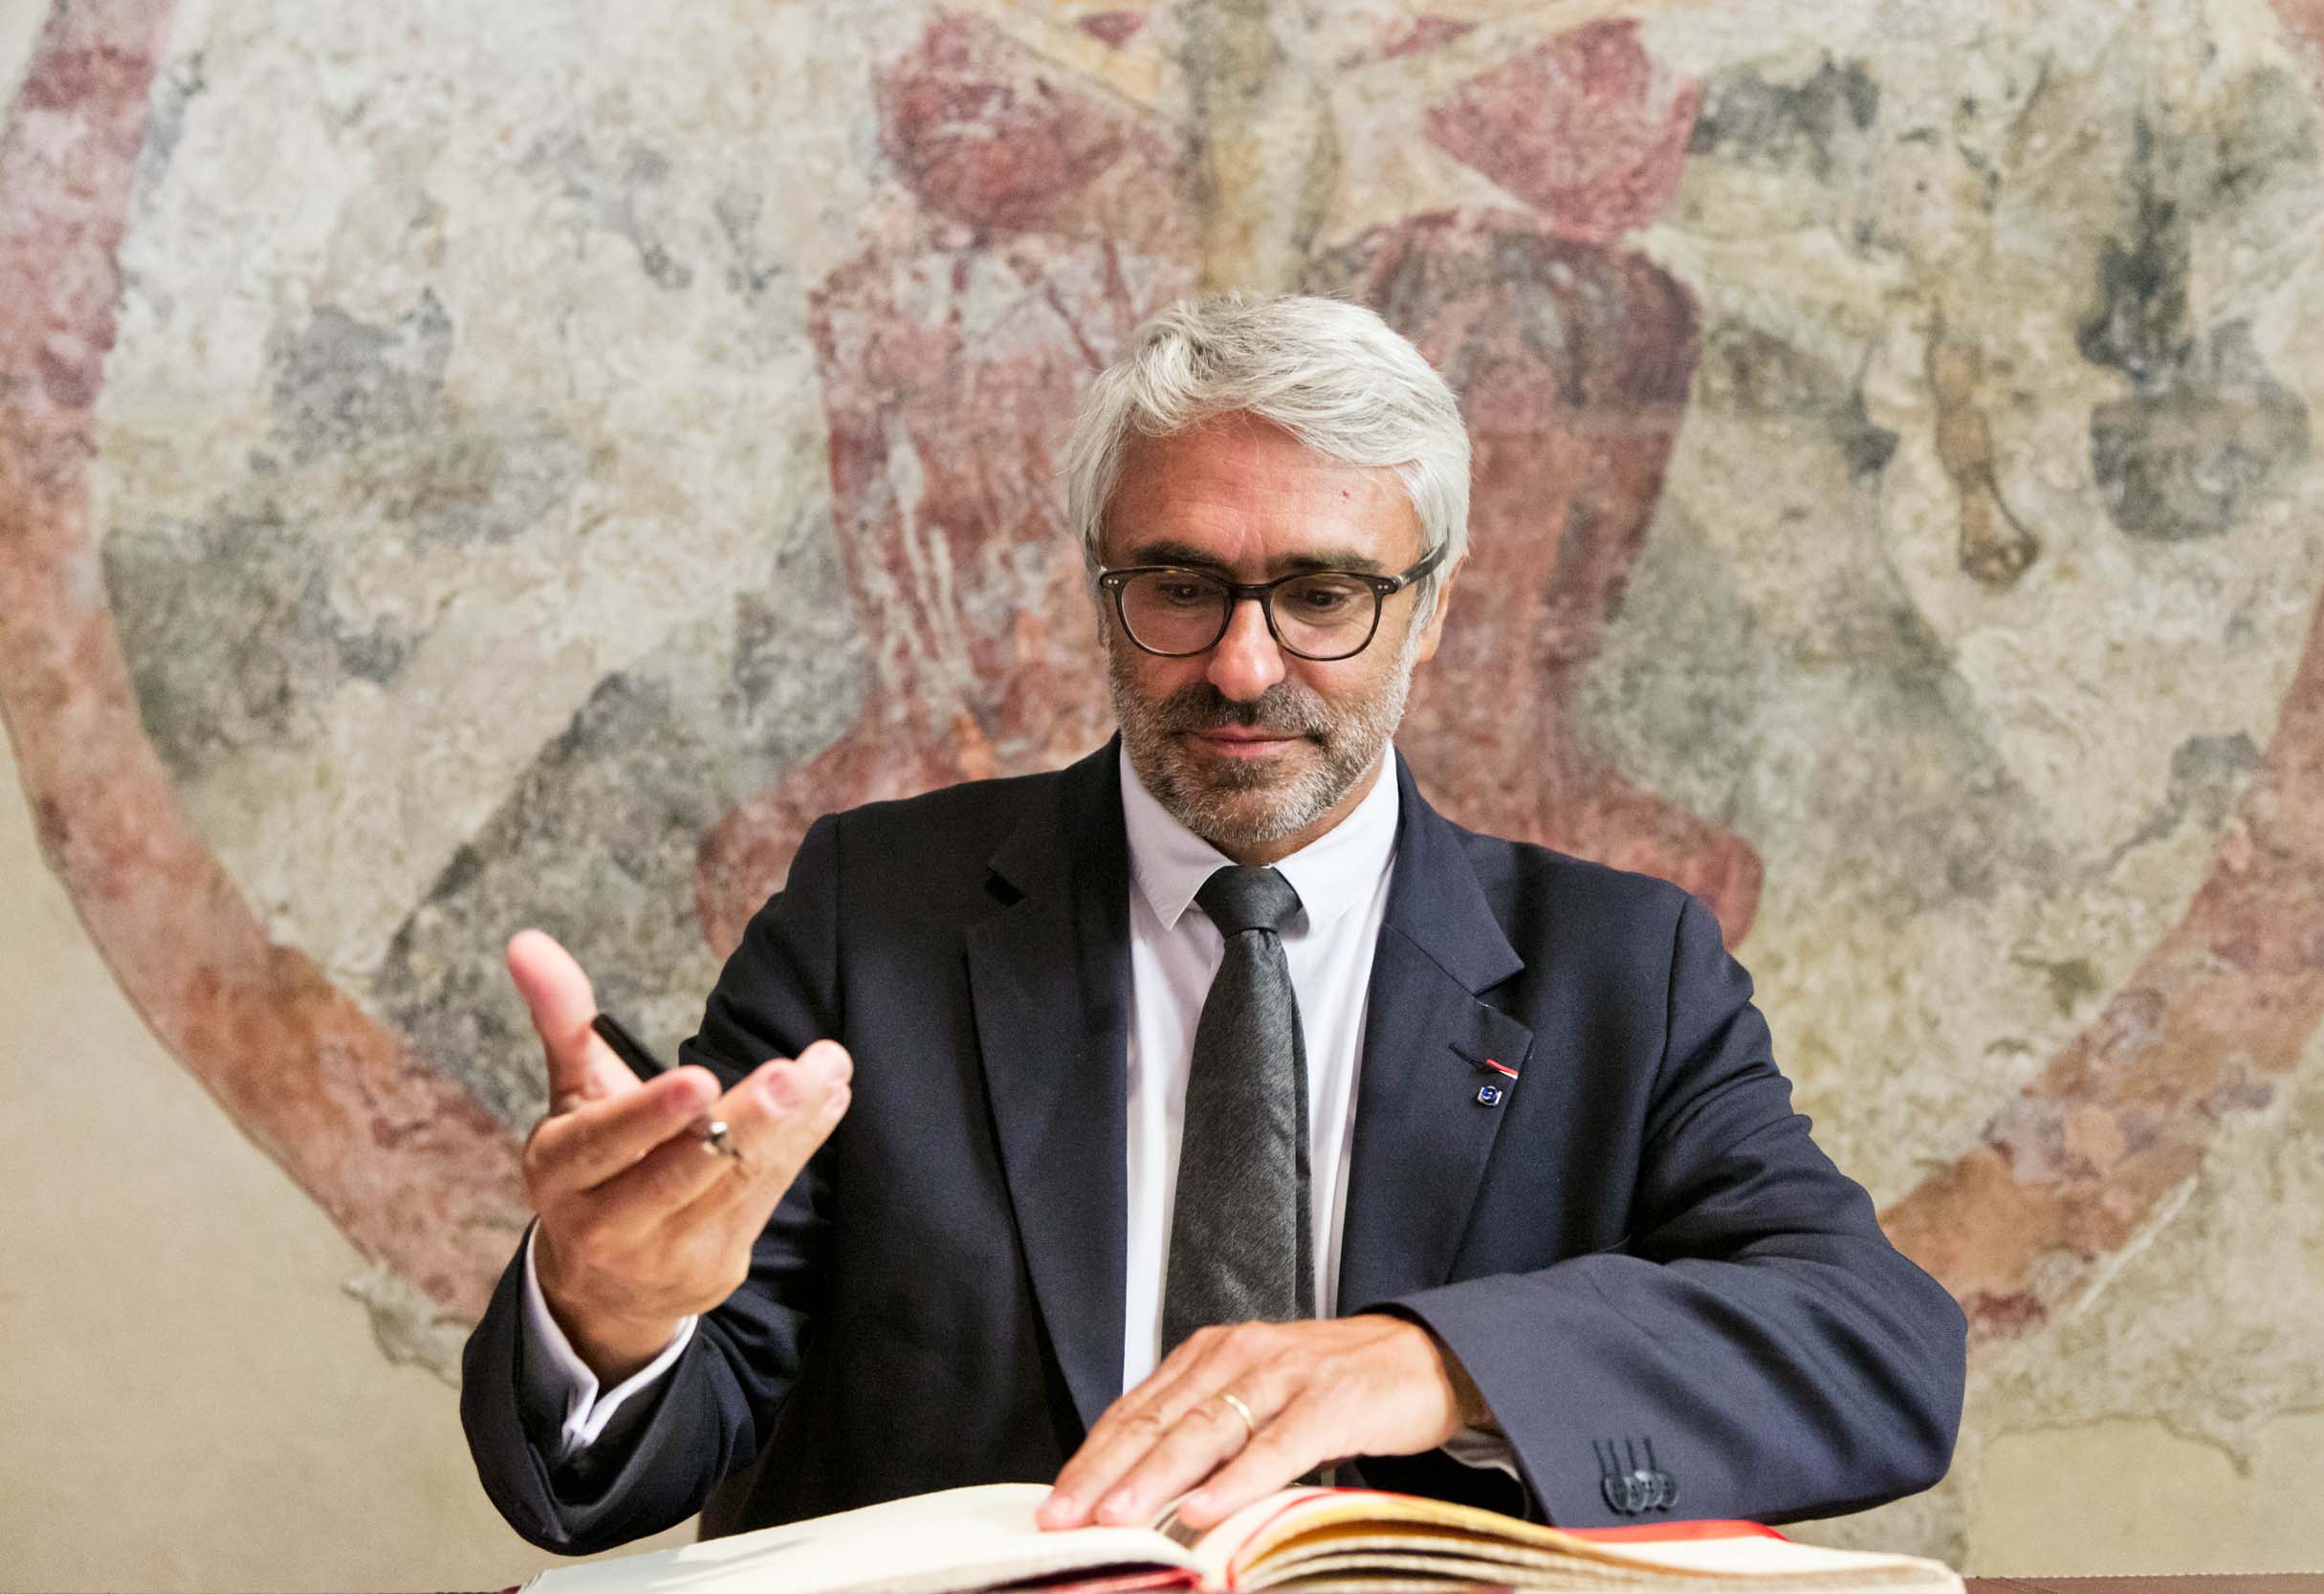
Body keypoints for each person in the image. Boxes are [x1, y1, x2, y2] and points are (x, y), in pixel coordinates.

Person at [460, 294, 1966, 1555]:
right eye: (1181, 587)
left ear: (1435, 607)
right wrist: (606, 1313)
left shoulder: (1624, 970)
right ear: (1101, 588)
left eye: (1324, 594)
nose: (1244, 666)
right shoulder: (874, 916)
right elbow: (641, 1451)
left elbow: (1875, 1348)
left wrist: (1435, 1365)